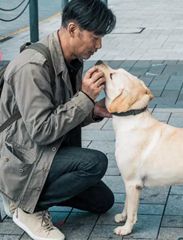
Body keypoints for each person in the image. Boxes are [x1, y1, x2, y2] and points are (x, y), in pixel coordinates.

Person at [0, 0, 116, 239]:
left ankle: (33, 195)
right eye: (95, 37)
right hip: (20, 159)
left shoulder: (72, 60)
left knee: (104, 201)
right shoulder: (33, 66)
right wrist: (84, 98)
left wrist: (93, 110)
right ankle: (23, 206)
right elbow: (42, 130)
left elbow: (62, 114)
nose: (99, 45)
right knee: (94, 163)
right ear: (73, 29)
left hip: (43, 152)